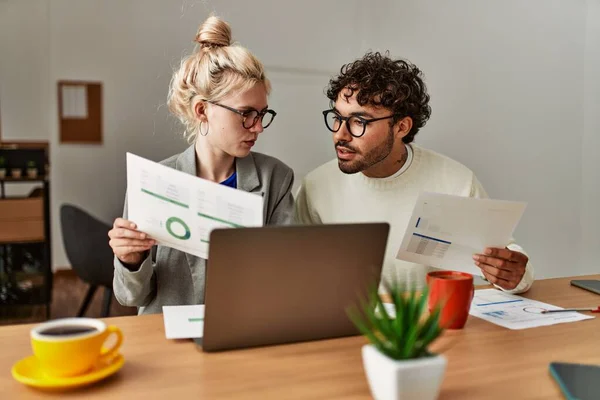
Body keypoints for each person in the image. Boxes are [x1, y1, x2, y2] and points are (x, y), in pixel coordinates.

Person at [294, 51, 533, 294]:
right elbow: (296, 275)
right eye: (337, 118)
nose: (339, 135)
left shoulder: (454, 182)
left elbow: (506, 257)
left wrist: (513, 276)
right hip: (346, 326)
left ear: (401, 127)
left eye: (359, 122)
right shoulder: (315, 187)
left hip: (430, 327)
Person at [110, 16, 295, 314]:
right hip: (170, 339)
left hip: (245, 331)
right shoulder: (152, 182)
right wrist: (130, 260)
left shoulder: (276, 178)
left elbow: (287, 278)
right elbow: (131, 297)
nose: (258, 127)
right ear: (202, 111)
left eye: (262, 114)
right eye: (247, 113)